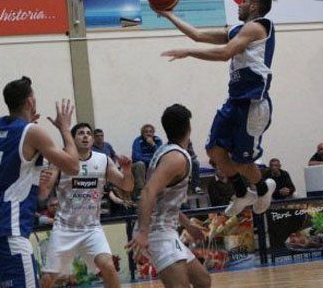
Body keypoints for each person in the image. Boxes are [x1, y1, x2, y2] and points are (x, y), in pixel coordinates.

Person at [160, 0, 277, 217]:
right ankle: (242, 193)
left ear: (254, 6)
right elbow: (197, 35)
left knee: (242, 162)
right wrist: (168, 14)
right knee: (214, 150)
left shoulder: (257, 27)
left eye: (243, 0)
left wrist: (188, 53)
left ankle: (263, 189)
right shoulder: (239, 30)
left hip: (253, 103)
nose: (239, 4)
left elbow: (225, 54)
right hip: (234, 101)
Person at [0, 76, 80, 288]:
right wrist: (65, 128)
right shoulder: (32, 133)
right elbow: (73, 166)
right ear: (30, 101)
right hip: (6, 226)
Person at [39, 122, 134, 288]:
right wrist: (42, 184)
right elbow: (44, 193)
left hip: (91, 228)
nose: (85, 136)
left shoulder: (103, 160)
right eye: (81, 133)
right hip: (65, 228)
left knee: (109, 266)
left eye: (88, 133)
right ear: (72, 139)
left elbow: (127, 186)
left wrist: (127, 171)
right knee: (48, 279)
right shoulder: (61, 160)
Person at [126, 104, 211, 288]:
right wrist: (143, 232)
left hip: (165, 230)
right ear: (189, 128)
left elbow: (164, 201)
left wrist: (188, 225)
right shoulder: (176, 158)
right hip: (156, 232)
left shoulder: (166, 151)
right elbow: (147, 192)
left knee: (203, 280)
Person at [131, 124, 162, 200]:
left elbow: (161, 154)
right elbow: (136, 157)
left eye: (151, 132)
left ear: (153, 133)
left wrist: (153, 144)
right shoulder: (138, 141)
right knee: (140, 164)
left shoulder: (157, 140)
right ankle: (140, 191)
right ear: (142, 133)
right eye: (146, 132)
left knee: (163, 163)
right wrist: (151, 161)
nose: (149, 133)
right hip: (140, 165)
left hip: (152, 164)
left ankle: (160, 192)